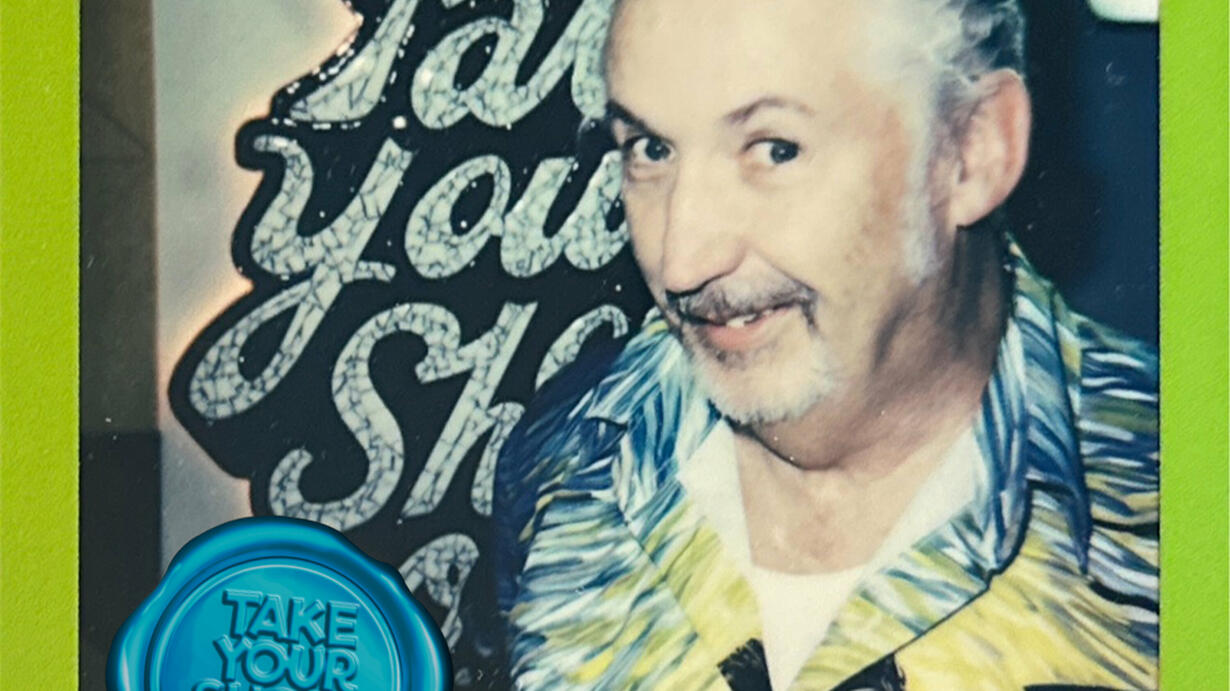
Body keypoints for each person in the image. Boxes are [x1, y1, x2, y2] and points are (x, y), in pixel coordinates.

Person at [493, 0, 1159, 688]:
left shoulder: (1186, 521)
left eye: (775, 150)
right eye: (650, 150)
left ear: (973, 149)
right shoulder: (567, 452)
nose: (681, 261)